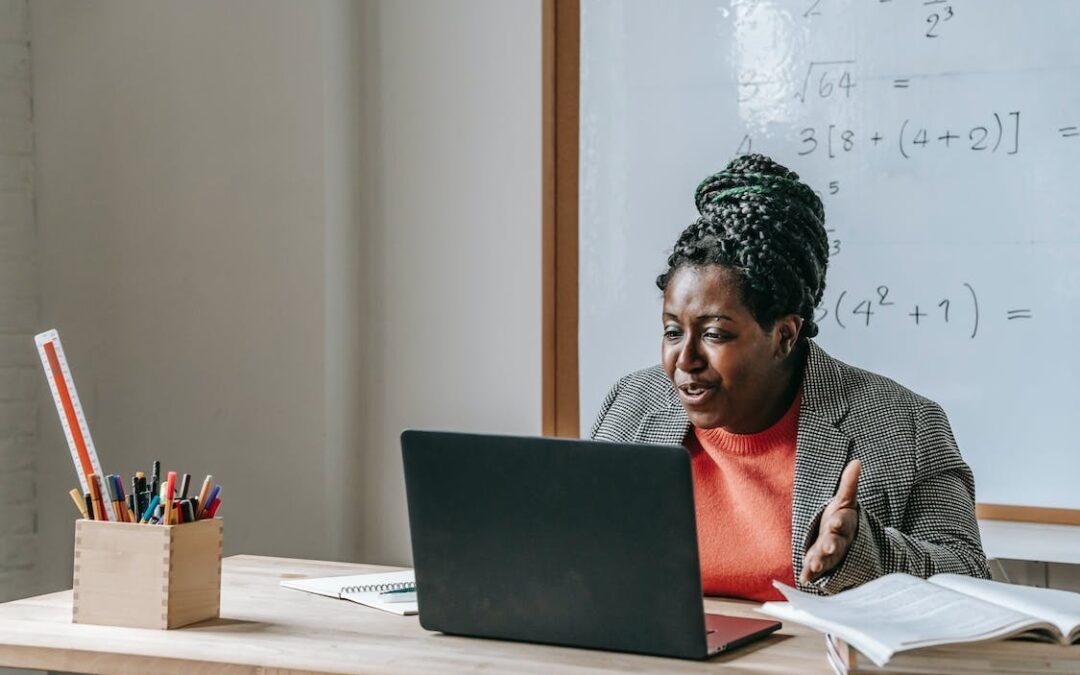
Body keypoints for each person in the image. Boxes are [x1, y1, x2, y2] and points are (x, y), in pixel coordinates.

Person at [590, 154, 989, 601]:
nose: (685, 359)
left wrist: (863, 550)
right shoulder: (632, 405)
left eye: (715, 334)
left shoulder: (904, 425)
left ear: (784, 335)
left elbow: (970, 577)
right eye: (671, 331)